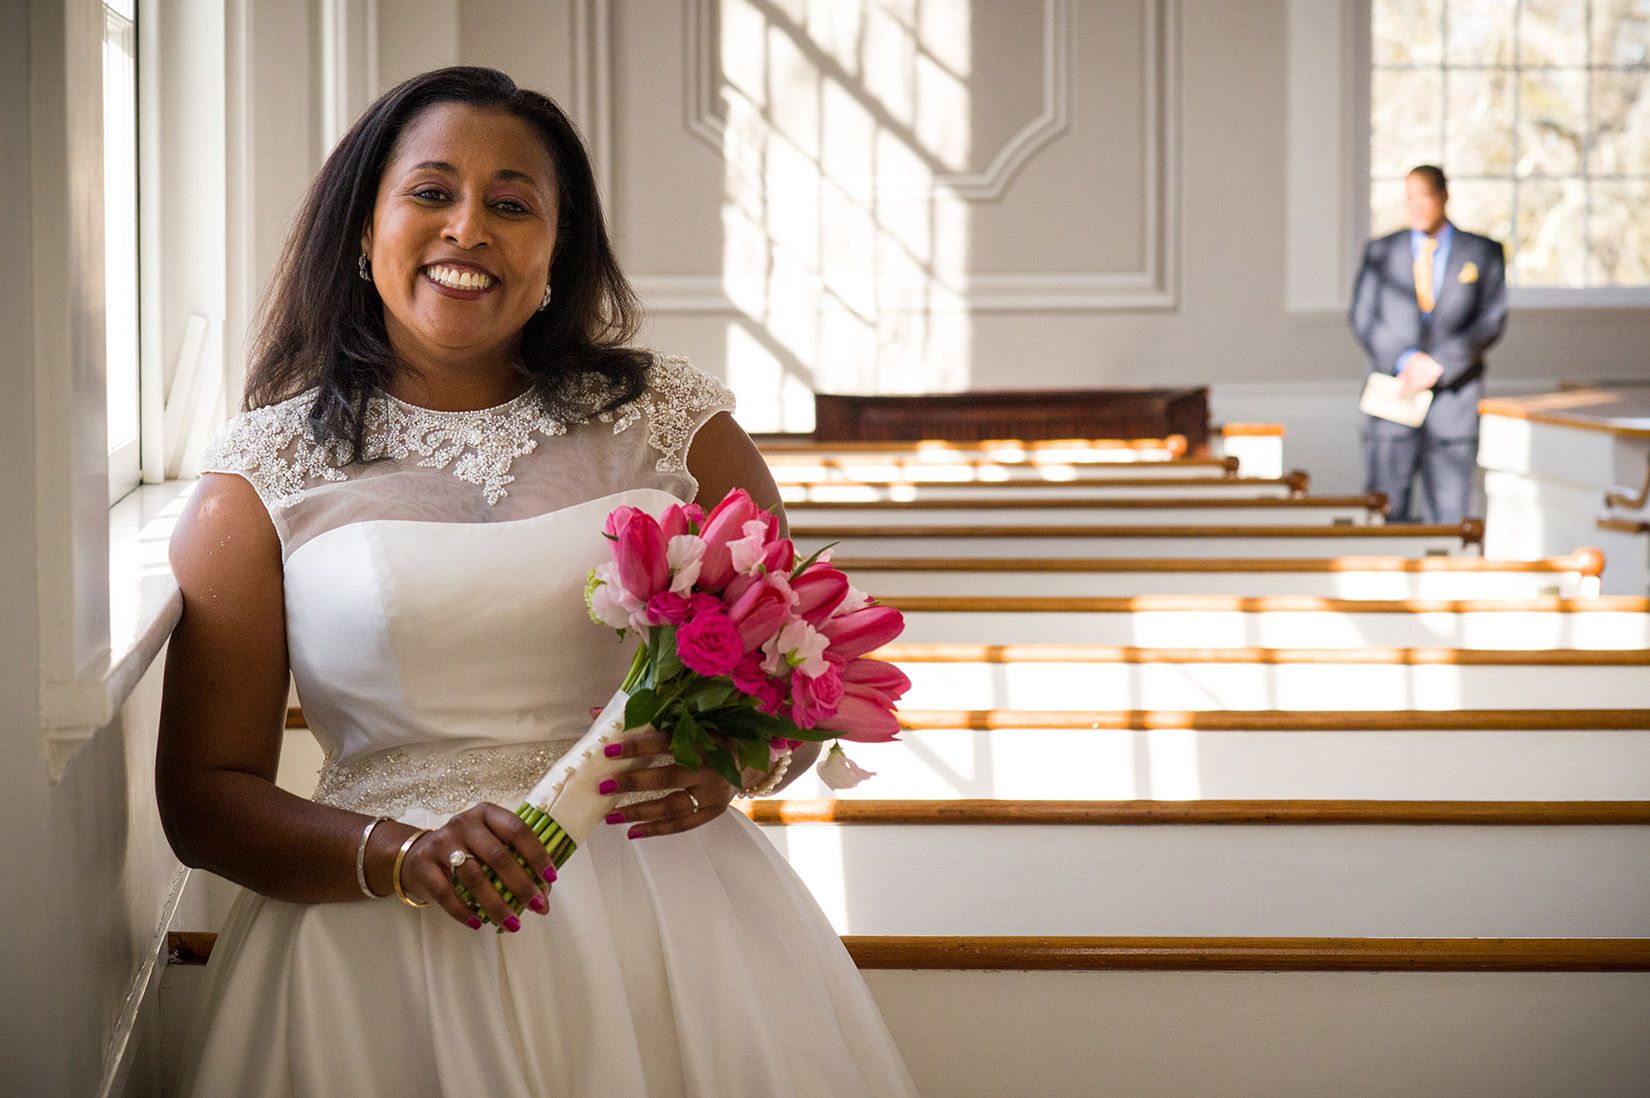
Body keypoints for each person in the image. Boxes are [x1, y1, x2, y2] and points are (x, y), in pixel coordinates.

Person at [158, 66, 921, 1097]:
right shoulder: (260, 476)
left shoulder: (674, 425)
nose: (468, 227)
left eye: (511, 205)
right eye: (432, 193)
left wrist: (732, 771)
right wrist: (397, 854)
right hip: (377, 955)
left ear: (556, 253)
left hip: (675, 934)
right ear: (361, 228)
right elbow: (204, 799)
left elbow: (790, 689)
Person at [1348, 164, 1508, 524]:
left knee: (1451, 519)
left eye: (1425, 197)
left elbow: (1491, 319)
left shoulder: (1481, 252)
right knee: (1386, 515)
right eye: (1409, 199)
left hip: (1453, 404)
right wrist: (1407, 360)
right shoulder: (1381, 252)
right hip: (1394, 400)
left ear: (1443, 197)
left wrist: (1438, 364)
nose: (1417, 207)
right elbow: (1362, 317)